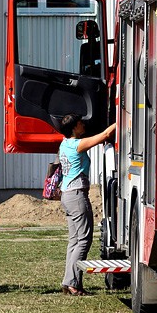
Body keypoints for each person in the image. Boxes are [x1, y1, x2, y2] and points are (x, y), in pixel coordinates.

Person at [58, 114, 116, 296]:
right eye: (81, 123)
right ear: (75, 127)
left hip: (67, 194)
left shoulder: (64, 144)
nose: (84, 125)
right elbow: (106, 134)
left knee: (74, 241)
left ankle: (69, 282)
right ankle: (73, 283)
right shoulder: (77, 145)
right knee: (84, 239)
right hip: (77, 195)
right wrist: (122, 118)